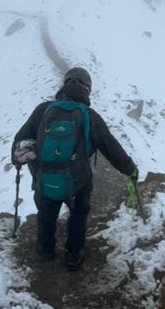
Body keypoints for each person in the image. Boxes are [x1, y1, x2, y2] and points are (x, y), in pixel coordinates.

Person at [11, 66, 137, 270]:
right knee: (78, 214)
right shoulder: (90, 116)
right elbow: (111, 147)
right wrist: (130, 169)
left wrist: (16, 160)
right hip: (78, 182)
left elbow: (20, 139)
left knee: (46, 212)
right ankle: (74, 254)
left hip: (45, 179)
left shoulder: (42, 110)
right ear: (87, 89)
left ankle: (45, 249)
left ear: (64, 85)